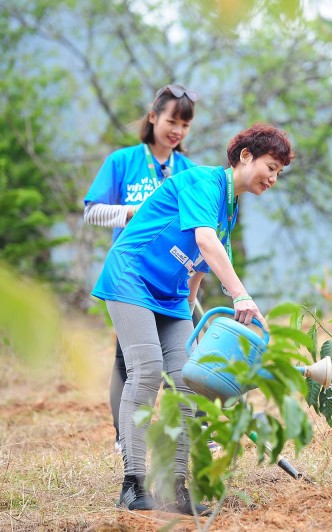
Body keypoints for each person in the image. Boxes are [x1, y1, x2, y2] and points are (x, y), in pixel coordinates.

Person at [91, 123, 294, 514]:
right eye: (270, 166)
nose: (273, 178)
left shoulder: (228, 209)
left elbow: (198, 268)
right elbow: (204, 241)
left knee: (188, 380)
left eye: (279, 173)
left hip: (169, 295)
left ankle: (177, 488)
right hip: (131, 275)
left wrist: (189, 326)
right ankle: (132, 485)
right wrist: (241, 293)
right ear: (245, 156)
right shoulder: (203, 181)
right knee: (148, 369)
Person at [84, 85, 198, 454]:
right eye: (171, 120)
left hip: (171, 279)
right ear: (153, 117)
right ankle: (125, 435)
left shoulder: (189, 171)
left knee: (180, 360)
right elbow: (91, 211)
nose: (176, 130)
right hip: (131, 277)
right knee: (130, 358)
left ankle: (189, 433)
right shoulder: (123, 161)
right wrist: (131, 212)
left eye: (184, 124)